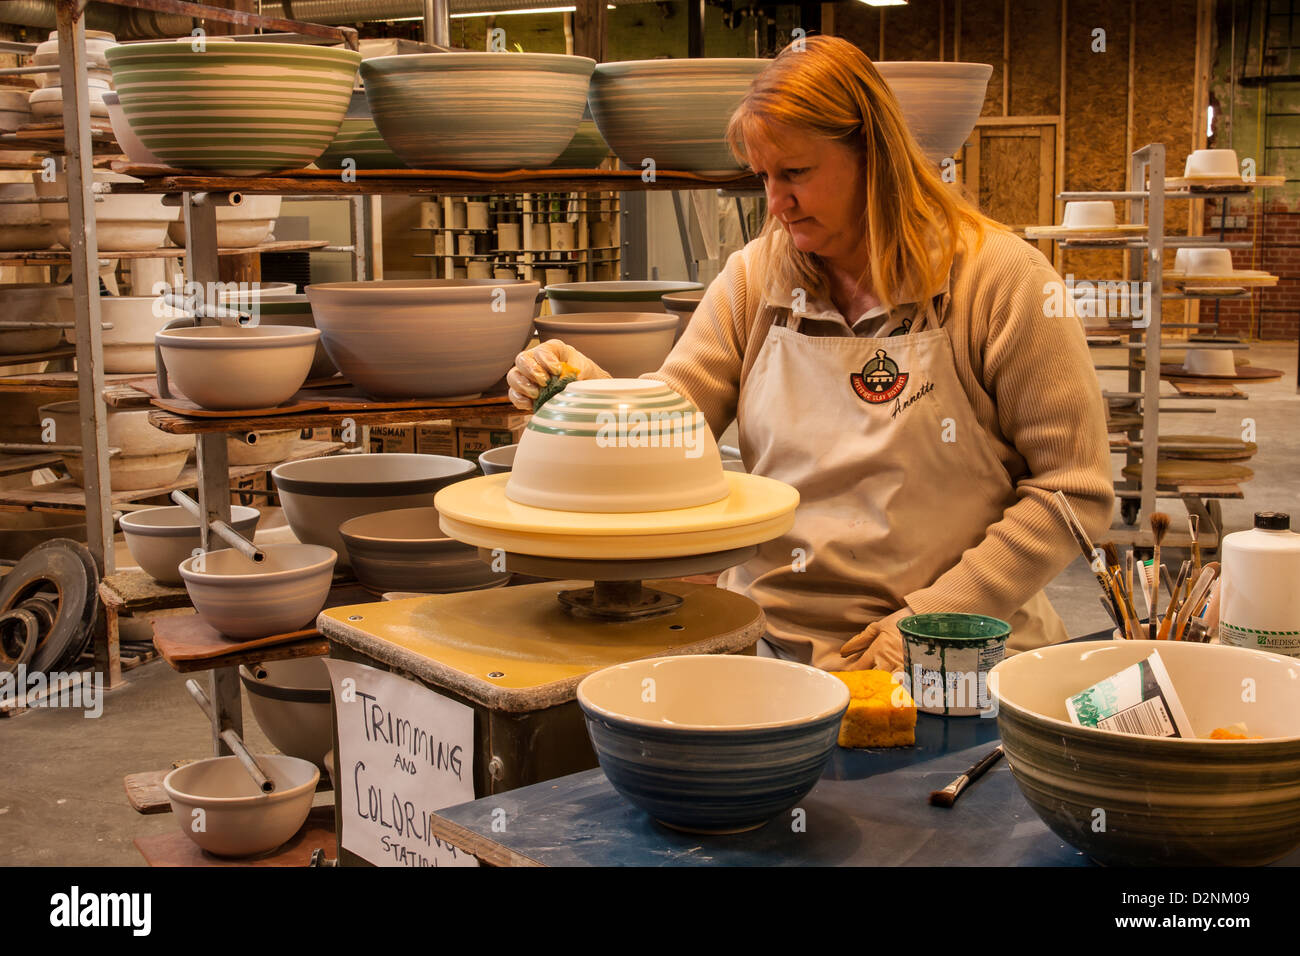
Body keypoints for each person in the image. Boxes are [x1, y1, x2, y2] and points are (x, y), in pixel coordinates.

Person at [509, 35, 1114, 672]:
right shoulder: (757, 278)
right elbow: (673, 427)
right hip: (772, 648)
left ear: (874, 157)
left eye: (796, 173)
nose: (775, 203)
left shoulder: (1000, 280)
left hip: (962, 651)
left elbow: (1073, 490)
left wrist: (937, 620)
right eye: (763, 176)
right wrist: (587, 395)